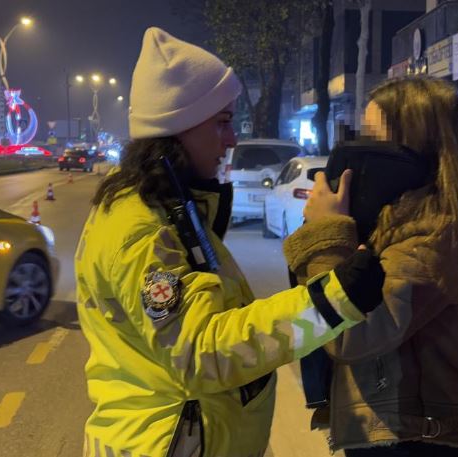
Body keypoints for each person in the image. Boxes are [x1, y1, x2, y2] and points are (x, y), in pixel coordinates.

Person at [75, 27, 385, 457]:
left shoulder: (168, 204)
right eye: (222, 124)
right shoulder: (142, 228)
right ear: (177, 128)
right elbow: (202, 352)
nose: (233, 139)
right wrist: (332, 300)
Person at [283, 77, 458, 456]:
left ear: (417, 151)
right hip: (404, 434)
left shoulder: (436, 235)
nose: (359, 154)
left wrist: (325, 236)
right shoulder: (400, 222)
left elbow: (345, 336)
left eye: (374, 141)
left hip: (416, 443)